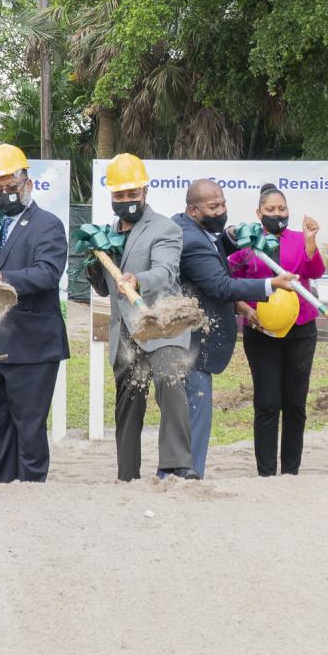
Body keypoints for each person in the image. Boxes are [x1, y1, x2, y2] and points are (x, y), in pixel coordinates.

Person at [0, 144, 69, 483]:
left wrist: (4, 278)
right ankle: (3, 481)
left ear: (28, 184)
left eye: (11, 187)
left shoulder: (46, 225)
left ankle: (32, 484)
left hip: (33, 344)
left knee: (29, 421)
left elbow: (47, 273)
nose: (4, 195)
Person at [84, 153, 197, 481]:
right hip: (125, 333)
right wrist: (93, 264)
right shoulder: (106, 234)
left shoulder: (166, 228)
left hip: (162, 326)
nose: (126, 200)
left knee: (169, 384)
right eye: (120, 195)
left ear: (145, 192)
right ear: (111, 196)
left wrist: (137, 279)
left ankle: (177, 466)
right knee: (128, 404)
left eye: (132, 194)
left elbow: (165, 271)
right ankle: (127, 475)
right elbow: (105, 290)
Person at [174, 179, 296, 477]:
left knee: (192, 412)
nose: (221, 210)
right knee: (196, 410)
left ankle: (181, 472)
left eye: (224, 204)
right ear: (192, 209)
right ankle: (188, 475)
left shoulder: (196, 229)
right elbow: (219, 284)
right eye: (214, 207)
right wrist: (271, 284)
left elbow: (215, 247)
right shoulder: (190, 240)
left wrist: (230, 235)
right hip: (193, 342)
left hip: (192, 341)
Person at [230, 184, 326, 476]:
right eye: (270, 210)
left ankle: (291, 472)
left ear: (288, 211)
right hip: (262, 332)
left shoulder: (299, 239)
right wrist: (247, 310)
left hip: (301, 330)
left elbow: (315, 272)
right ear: (259, 213)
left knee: (295, 403)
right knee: (268, 402)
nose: (277, 214)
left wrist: (310, 243)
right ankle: (266, 474)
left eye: (281, 209)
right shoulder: (247, 245)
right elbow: (231, 282)